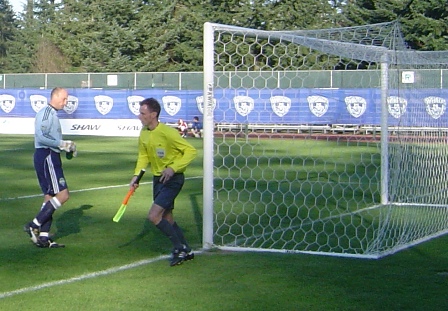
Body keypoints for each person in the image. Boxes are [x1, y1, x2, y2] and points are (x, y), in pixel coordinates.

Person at [131, 98, 197, 266]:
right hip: (158, 179)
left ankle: (179, 248)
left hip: (173, 179)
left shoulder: (168, 132)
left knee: (153, 216)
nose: (139, 116)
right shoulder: (144, 133)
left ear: (153, 115)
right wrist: (136, 176)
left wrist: (173, 168)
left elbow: (190, 151)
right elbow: (143, 156)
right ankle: (187, 249)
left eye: (143, 113)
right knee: (167, 217)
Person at [24, 87, 77, 248]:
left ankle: (44, 237)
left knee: (50, 196)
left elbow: (51, 137)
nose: (66, 102)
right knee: (63, 194)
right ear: (55, 97)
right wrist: (60, 143)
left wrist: (66, 147)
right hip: (47, 155)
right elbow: (42, 136)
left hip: (49, 155)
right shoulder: (46, 112)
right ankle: (34, 224)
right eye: (64, 98)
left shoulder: (52, 113)